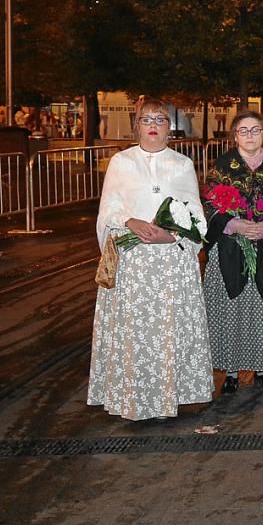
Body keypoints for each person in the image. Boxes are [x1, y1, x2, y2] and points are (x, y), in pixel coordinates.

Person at [89, 97, 212, 420]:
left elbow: (195, 214)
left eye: (160, 119)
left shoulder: (182, 164)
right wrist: (131, 221)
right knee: (136, 333)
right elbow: (109, 209)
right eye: (147, 120)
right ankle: (134, 399)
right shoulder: (121, 162)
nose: (154, 125)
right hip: (134, 264)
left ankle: (166, 398)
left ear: (170, 128)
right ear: (137, 126)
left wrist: (172, 236)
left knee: (165, 331)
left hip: (168, 263)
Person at [202, 111, 263, 395]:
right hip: (230, 246)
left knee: (262, 309)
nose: (249, 136)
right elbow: (209, 205)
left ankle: (262, 368)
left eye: (255, 130)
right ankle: (231, 369)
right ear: (234, 136)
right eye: (243, 131)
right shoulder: (222, 166)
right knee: (229, 308)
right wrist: (234, 224)